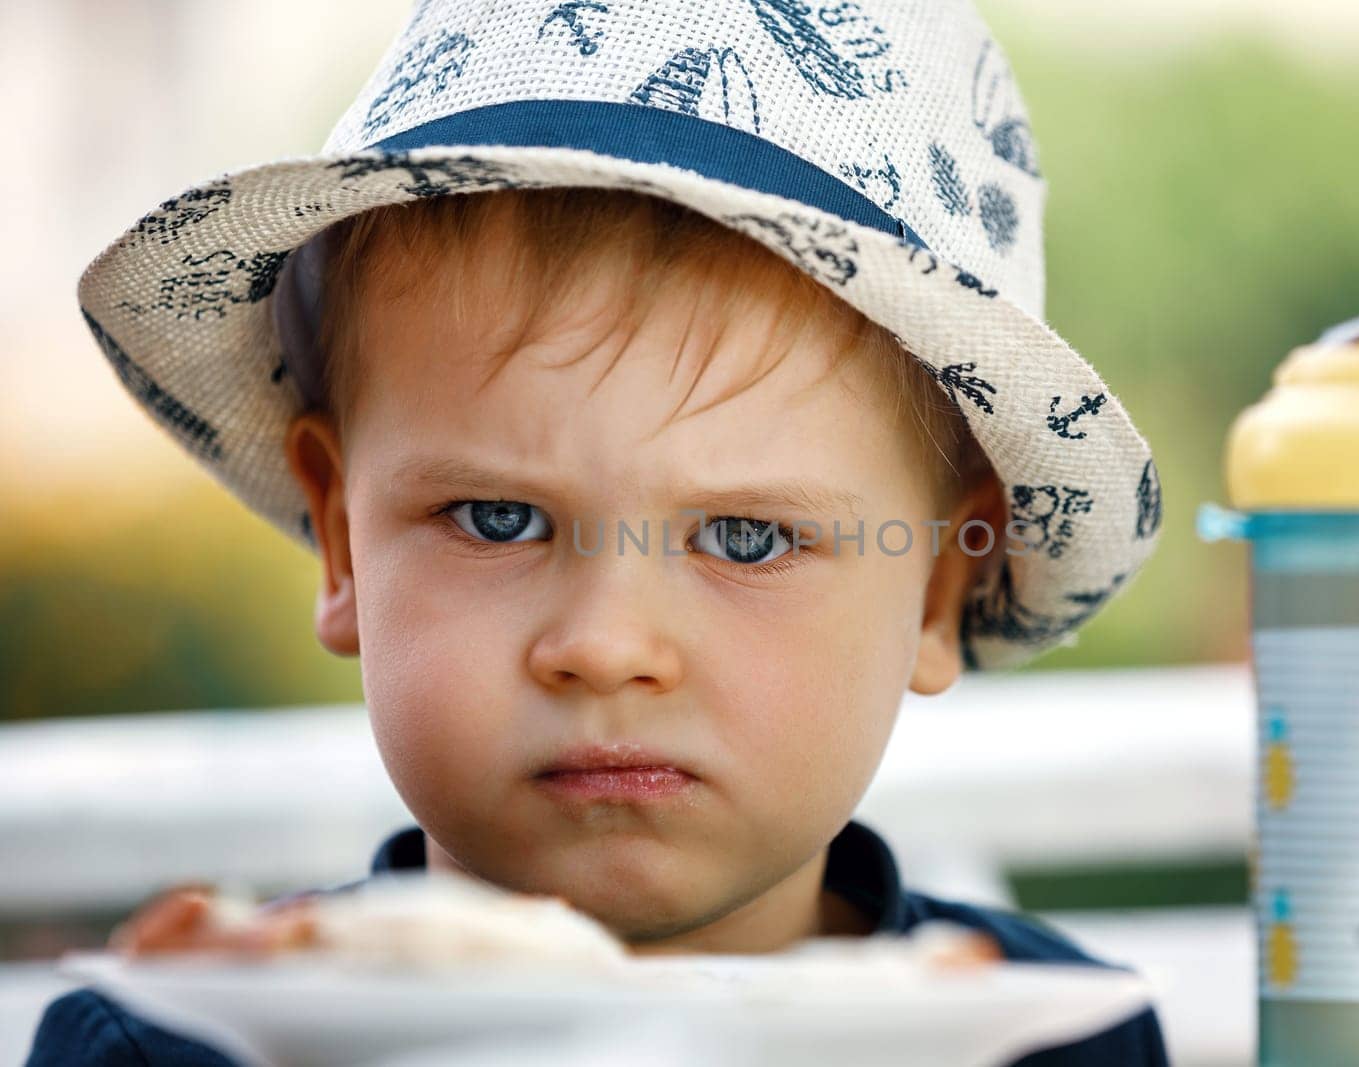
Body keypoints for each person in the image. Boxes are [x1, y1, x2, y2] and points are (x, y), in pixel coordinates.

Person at [30, 0, 1167, 1061]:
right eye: (498, 517)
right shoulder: (185, 1040)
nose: (607, 642)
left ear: (933, 589)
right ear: (342, 542)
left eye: (747, 539)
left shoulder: (1036, 1038)